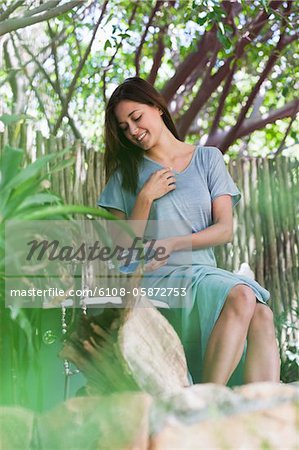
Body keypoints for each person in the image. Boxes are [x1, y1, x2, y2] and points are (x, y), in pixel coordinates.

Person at [97, 76, 281, 386]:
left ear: (157, 107)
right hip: (158, 281)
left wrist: (172, 242)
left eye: (136, 117)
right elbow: (123, 255)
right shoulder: (124, 179)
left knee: (262, 314)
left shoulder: (207, 159)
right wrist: (144, 198)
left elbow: (224, 230)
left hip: (204, 274)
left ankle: (262, 411)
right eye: (124, 127)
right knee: (242, 294)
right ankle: (206, 401)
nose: (133, 130)